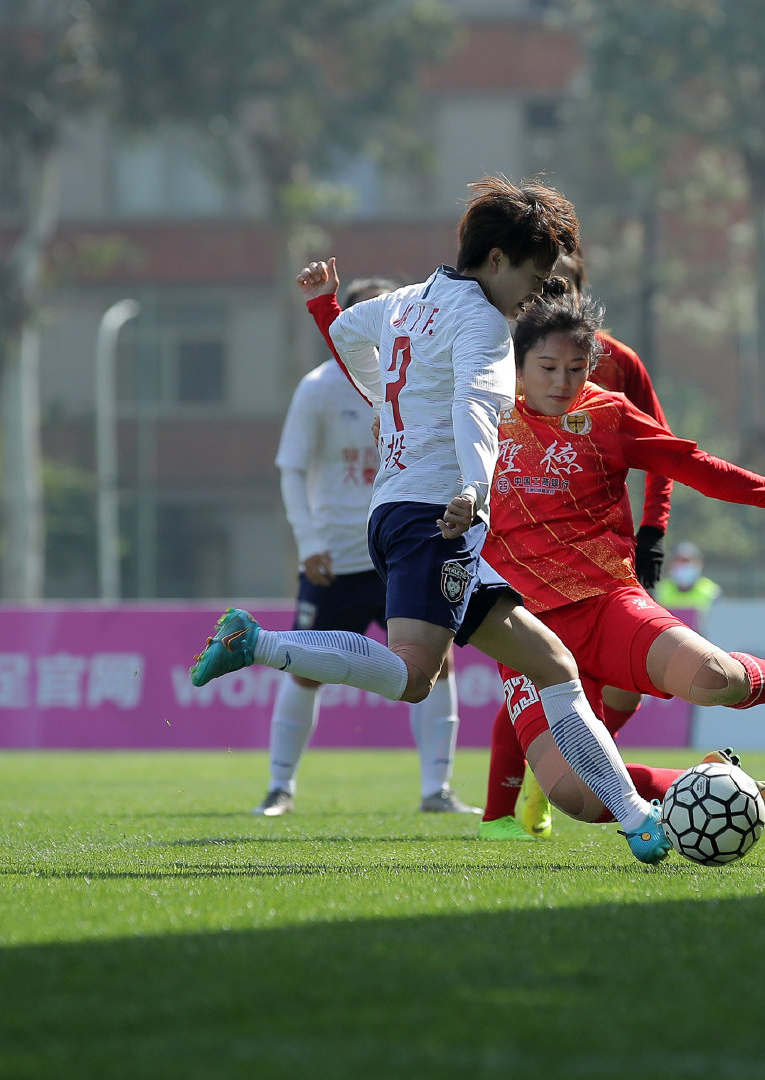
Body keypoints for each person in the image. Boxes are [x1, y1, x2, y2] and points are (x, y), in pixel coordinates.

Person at [191, 176, 676, 864]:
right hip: (437, 517)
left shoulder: (405, 300)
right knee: (416, 675)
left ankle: (637, 819)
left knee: (552, 664)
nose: (535, 300)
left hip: (400, 510)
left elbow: (349, 338)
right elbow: (477, 409)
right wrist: (476, 489)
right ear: (499, 259)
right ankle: (258, 644)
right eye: (533, 282)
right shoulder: (480, 321)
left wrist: (324, 305)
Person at [475, 277, 765, 834]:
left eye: (576, 367)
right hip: (523, 629)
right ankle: (705, 784)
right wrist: (324, 310)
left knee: (716, 681)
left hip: (607, 605)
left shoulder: (610, 416)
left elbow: (701, 469)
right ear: (517, 365)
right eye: (547, 367)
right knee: (577, 798)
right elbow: (377, 385)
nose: (563, 381)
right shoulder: (482, 415)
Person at [256, 274, 478, 817]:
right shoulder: (318, 388)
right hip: (338, 556)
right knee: (305, 670)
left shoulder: (419, 380)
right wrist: (308, 541)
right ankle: (280, 785)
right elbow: (290, 470)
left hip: (407, 548)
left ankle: (436, 790)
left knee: (436, 666)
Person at [478, 245, 673, 839]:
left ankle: (563, 776)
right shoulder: (500, 361)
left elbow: (663, 451)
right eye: (541, 287)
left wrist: (654, 530)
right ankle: (499, 814)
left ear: (582, 293)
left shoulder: (619, 364)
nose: (549, 296)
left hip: (603, 552)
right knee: (535, 672)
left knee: (622, 684)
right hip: (524, 555)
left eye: (563, 286)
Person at [655, 542, 723, 613]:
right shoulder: (661, 589)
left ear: (699, 564)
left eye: (687, 561)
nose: (683, 566)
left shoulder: (712, 591)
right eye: (678, 561)